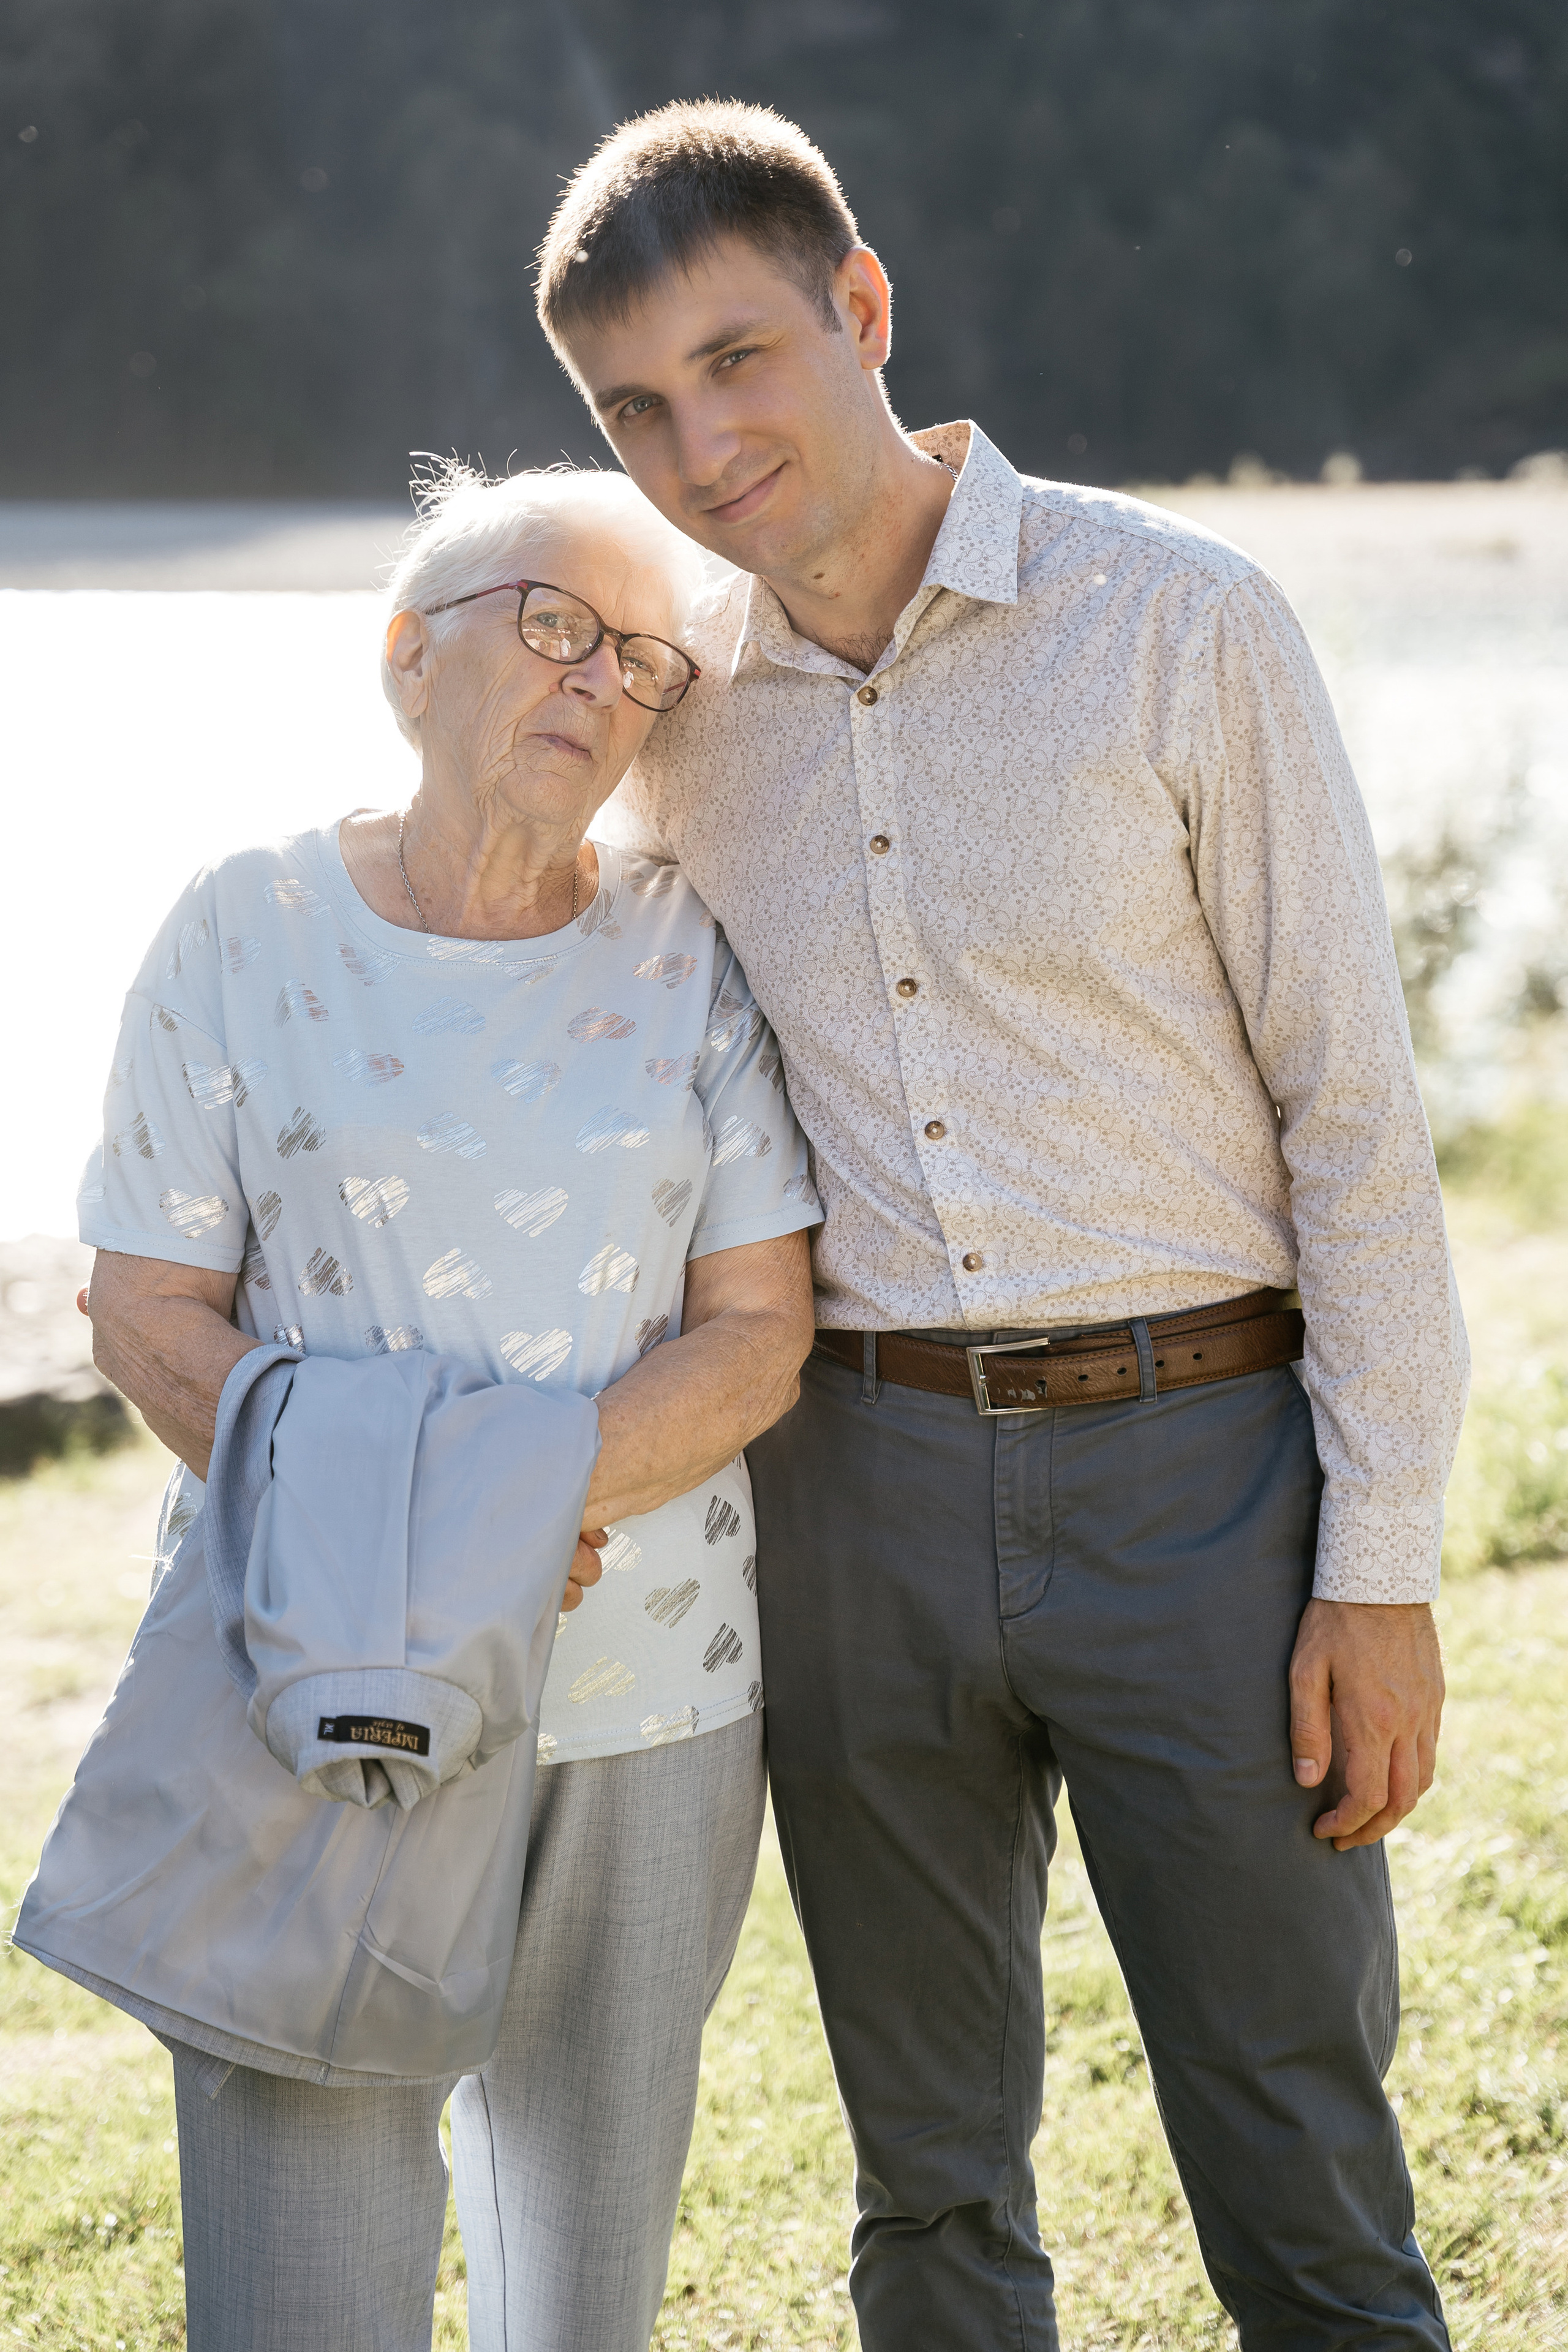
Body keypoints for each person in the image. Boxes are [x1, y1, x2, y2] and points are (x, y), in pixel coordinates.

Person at [531, 100, 1469, 2351]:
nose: (701, 444)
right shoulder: (673, 715)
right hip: (849, 1501)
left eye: (742, 358)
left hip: (1204, 1482)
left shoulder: (1182, 625)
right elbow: (519, 991)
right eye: (635, 410)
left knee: (1300, 2157)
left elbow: (1353, 1111)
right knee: (929, 2187)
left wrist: (1385, 1567)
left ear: (862, 309)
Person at [66, 461, 821, 2351]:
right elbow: (145, 1307)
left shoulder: (684, 946)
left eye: (643, 657)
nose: (598, 678)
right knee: (300, 2285)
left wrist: (502, 1519)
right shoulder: (239, 928)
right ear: (409, 658)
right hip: (311, 1683)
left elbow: (757, 1332)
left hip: (646, 1695)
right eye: (549, 624)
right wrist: (430, 1548)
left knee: (585, 2285)